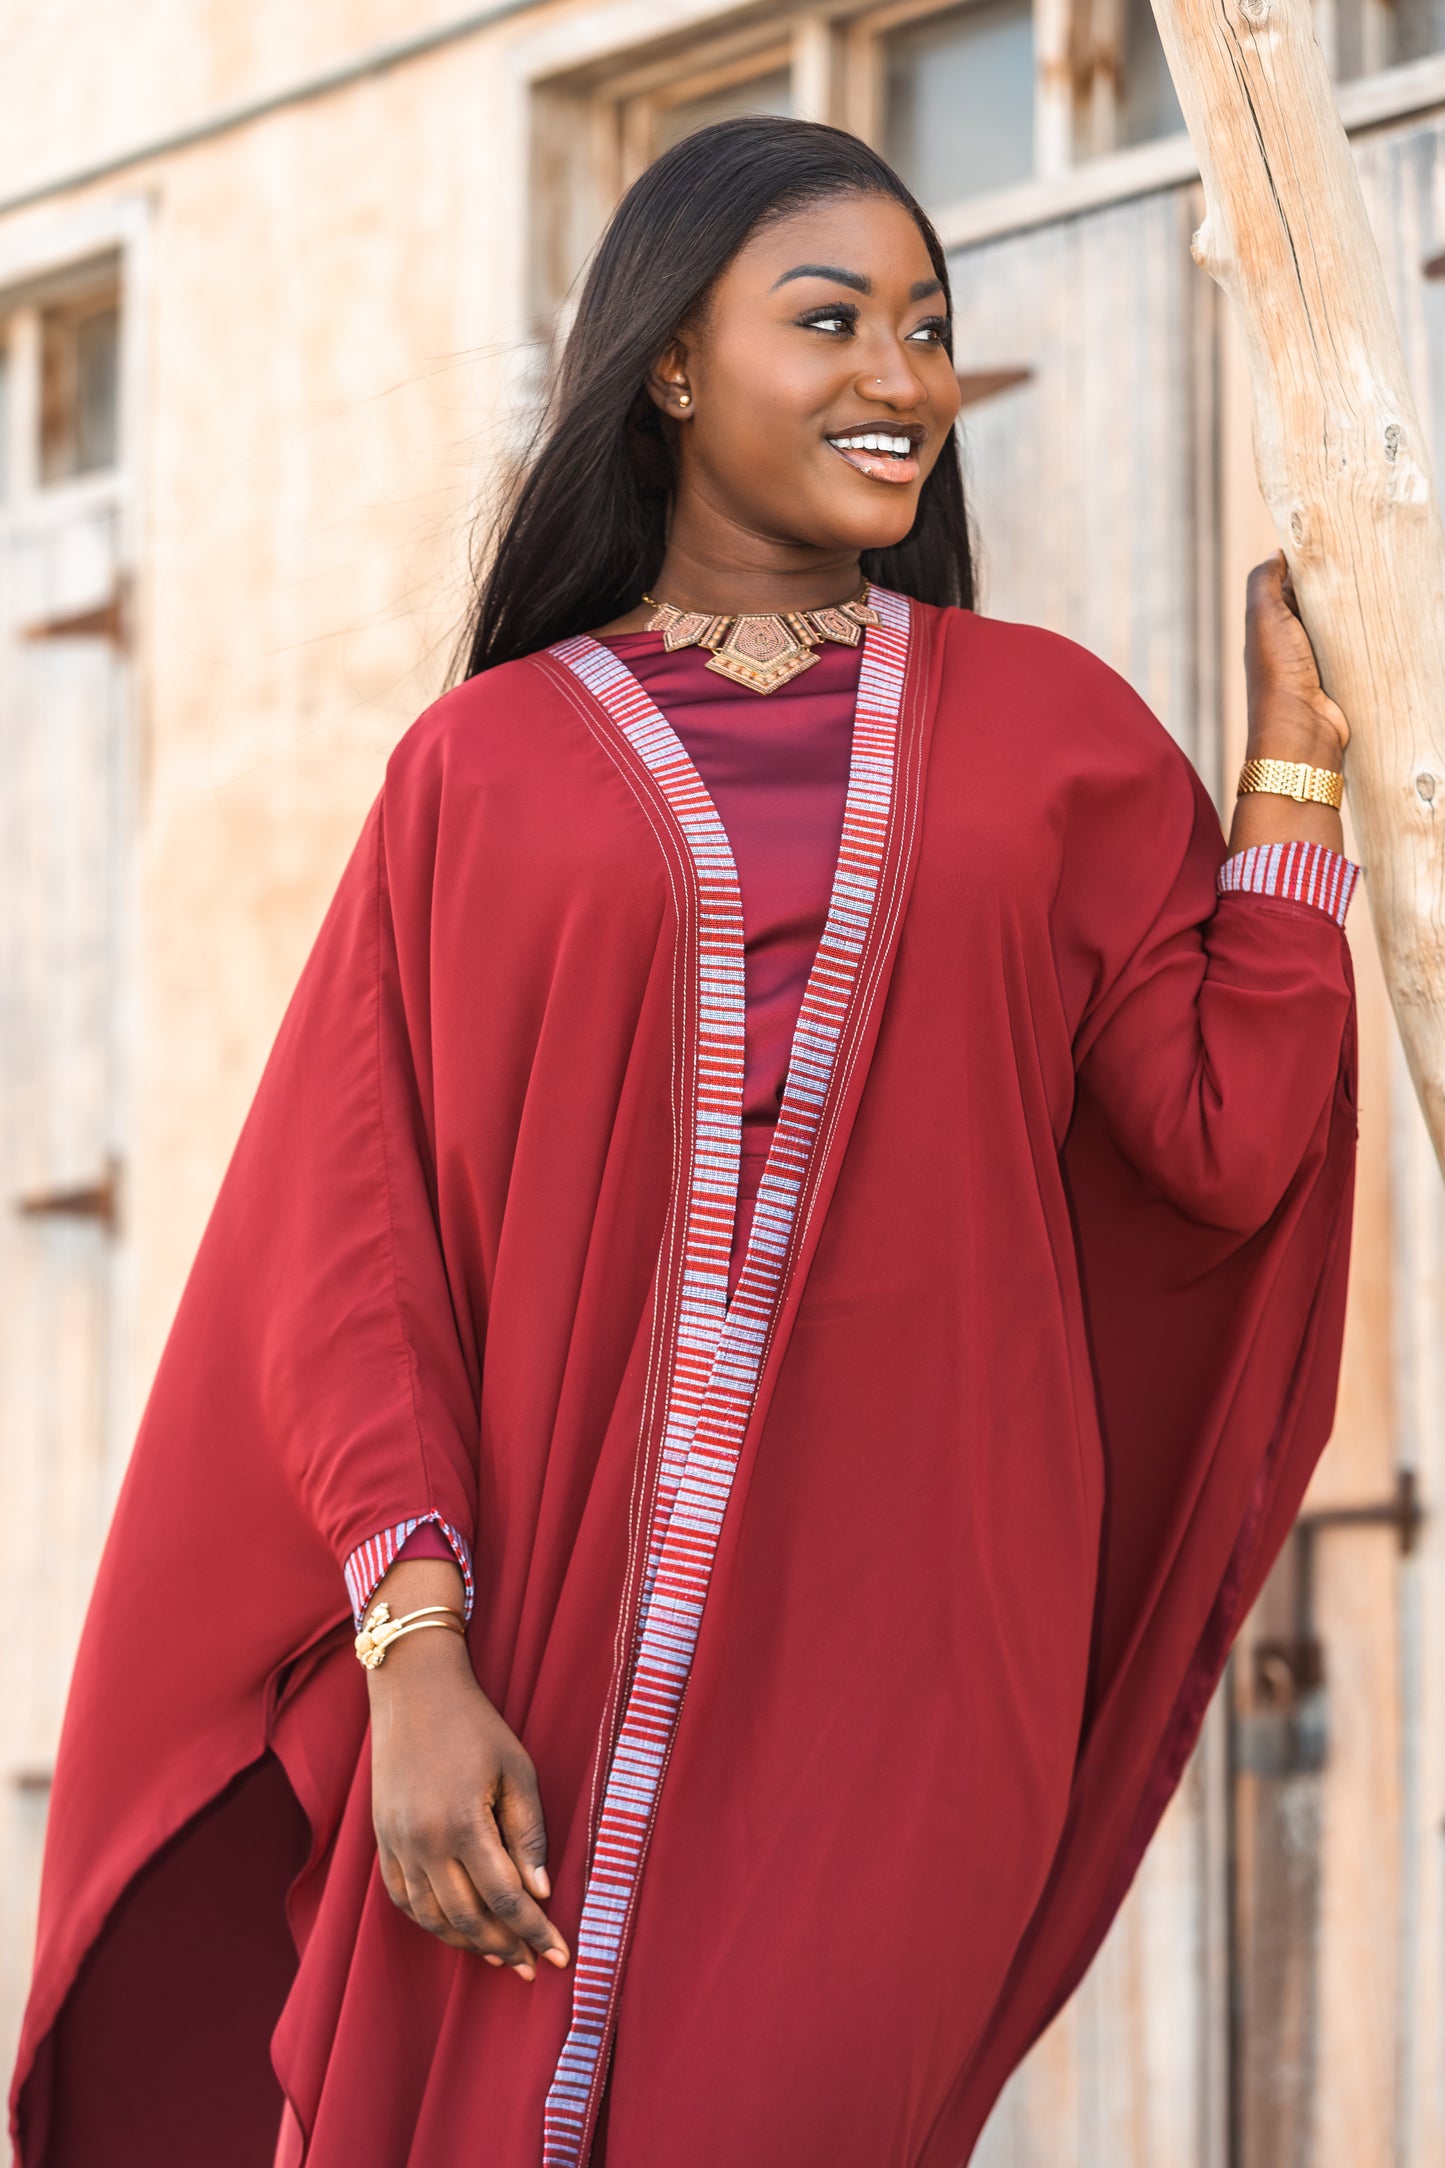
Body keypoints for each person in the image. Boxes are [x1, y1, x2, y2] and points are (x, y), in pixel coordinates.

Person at [10, 118, 1359, 2168]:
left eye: (927, 329)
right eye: (832, 322)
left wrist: (1289, 779)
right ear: (669, 363)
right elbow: (355, 1251)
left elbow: (1227, 1131)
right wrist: (413, 1654)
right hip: (526, 1643)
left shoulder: (1051, 733)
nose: (902, 379)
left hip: (912, 1670)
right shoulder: (481, 770)